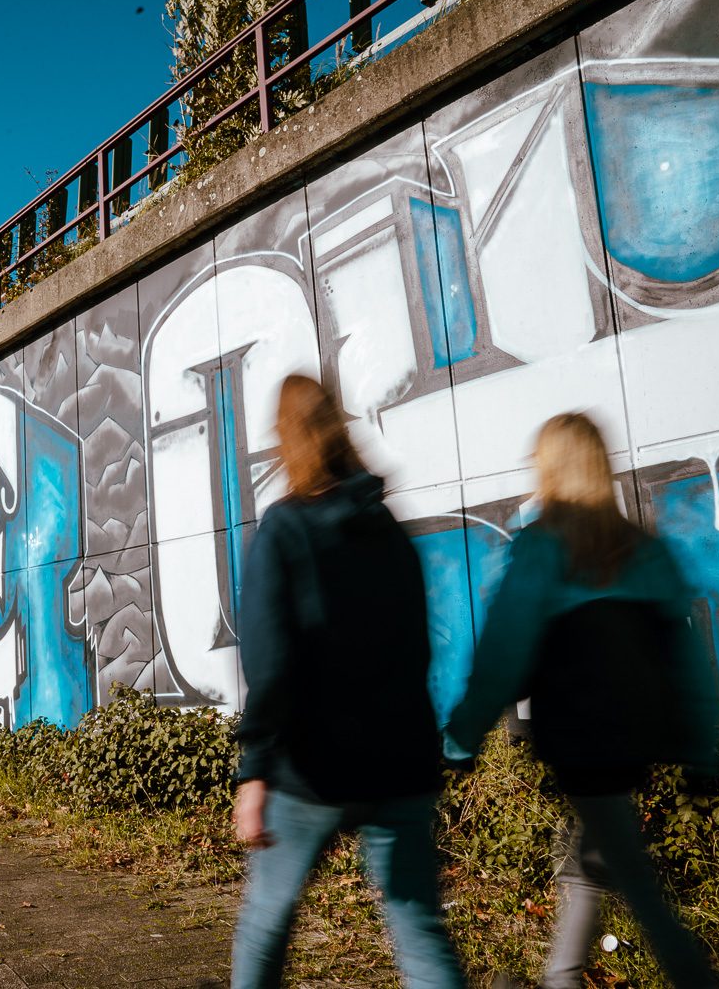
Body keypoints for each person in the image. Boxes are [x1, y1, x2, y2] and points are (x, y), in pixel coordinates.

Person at [443, 412, 719, 989]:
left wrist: (460, 738)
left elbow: (502, 656)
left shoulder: (543, 550)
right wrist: (701, 750)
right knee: (592, 848)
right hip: (636, 739)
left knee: (638, 886)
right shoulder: (644, 551)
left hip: (579, 739)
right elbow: (687, 659)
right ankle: (561, 977)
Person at [232, 374, 464, 989]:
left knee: (267, 923)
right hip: (401, 763)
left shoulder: (284, 529)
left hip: (313, 769)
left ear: (284, 439)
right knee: (417, 928)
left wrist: (255, 768)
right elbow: (417, 647)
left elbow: (270, 661)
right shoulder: (387, 527)